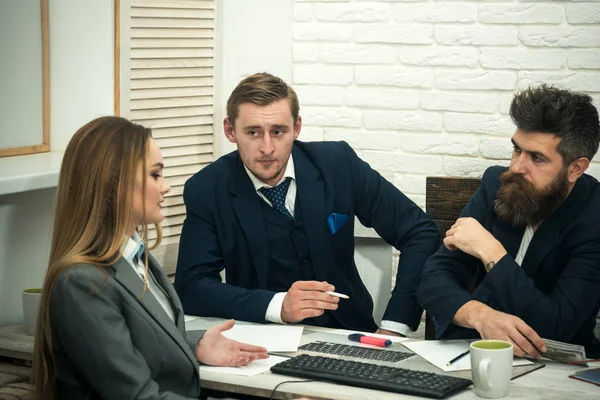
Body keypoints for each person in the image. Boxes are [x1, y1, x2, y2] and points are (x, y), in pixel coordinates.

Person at [175, 72, 439, 336]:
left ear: (297, 128)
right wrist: (278, 306)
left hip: (350, 333)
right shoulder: (207, 188)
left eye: (278, 132)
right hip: (257, 338)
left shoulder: (338, 164)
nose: (267, 148)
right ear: (230, 131)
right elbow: (191, 286)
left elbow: (419, 232)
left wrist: (395, 325)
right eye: (253, 132)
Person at [32, 116, 269, 400]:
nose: (166, 187)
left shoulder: (134, 256)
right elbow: (139, 397)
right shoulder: (81, 284)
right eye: (155, 175)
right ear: (114, 183)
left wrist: (195, 345)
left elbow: (140, 338)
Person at [417, 85, 600, 358]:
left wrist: (491, 252)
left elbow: (558, 327)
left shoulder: (594, 215)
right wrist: (480, 316)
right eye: (517, 150)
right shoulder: (495, 185)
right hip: (473, 352)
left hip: (559, 369)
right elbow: (432, 279)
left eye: (536, 157)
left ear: (575, 168)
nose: (516, 167)